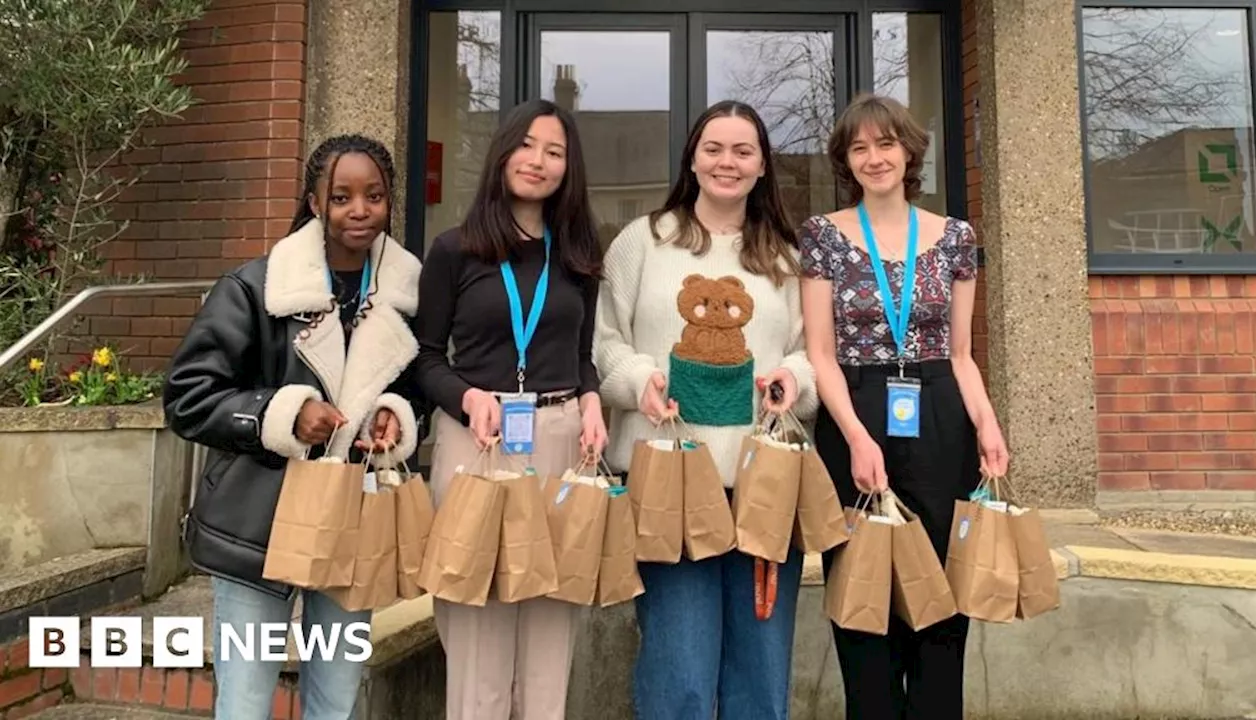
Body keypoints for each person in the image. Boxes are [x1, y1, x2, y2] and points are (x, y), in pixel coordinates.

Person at [163, 134, 429, 718]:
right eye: (341, 197)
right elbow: (186, 397)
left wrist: (395, 416)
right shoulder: (256, 288)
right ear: (314, 203)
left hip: (350, 527)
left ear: (390, 202)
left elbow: (417, 390)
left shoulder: (406, 296)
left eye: (374, 196)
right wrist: (281, 414)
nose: (359, 211)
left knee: (336, 702)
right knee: (245, 703)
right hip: (256, 528)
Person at [594, 99, 818, 720]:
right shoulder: (643, 241)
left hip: (762, 486)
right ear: (692, 159)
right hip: (668, 484)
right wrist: (638, 378)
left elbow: (812, 352)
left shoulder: (785, 257)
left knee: (760, 672)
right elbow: (606, 341)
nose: (727, 161)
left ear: (762, 166)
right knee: (680, 670)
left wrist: (791, 379)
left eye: (743, 151)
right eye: (714, 148)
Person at [798, 92, 1010, 719]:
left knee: (942, 595)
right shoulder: (823, 238)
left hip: (942, 419)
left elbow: (963, 354)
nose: (874, 157)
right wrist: (858, 438)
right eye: (859, 147)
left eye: (885, 143)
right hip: (855, 415)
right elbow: (820, 353)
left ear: (909, 150)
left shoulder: (955, 238)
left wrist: (988, 425)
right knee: (863, 594)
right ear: (846, 159)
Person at [414, 98, 608, 720]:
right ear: (503, 153)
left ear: (567, 169)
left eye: (555, 151)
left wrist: (594, 401)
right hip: (478, 441)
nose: (538, 161)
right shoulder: (454, 250)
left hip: (560, 440)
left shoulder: (578, 254)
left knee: (553, 615)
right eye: (527, 145)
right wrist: (466, 396)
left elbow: (583, 356)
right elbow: (423, 358)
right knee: (477, 618)